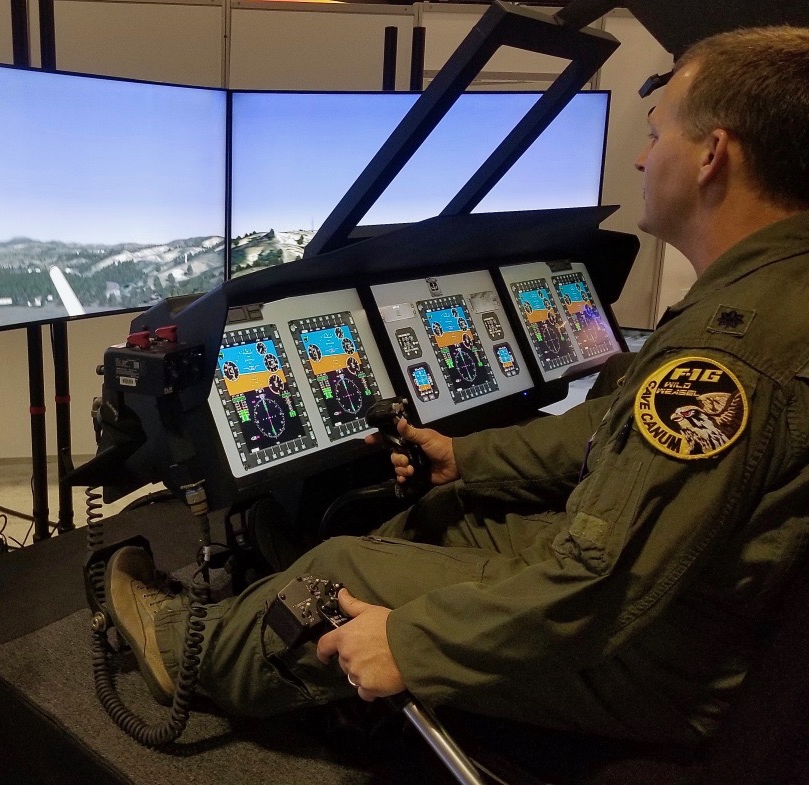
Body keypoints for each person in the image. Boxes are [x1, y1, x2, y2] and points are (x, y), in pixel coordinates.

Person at [107, 25, 809, 747]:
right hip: (679, 608)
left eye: (656, 135)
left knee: (338, 566)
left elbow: (604, 586)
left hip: (650, 659)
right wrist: (465, 456)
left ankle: (184, 651)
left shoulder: (729, 354)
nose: (640, 156)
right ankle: (320, 660)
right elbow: (605, 431)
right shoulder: (773, 292)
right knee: (446, 510)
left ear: (712, 155)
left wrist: (409, 643)